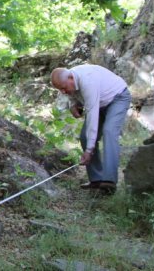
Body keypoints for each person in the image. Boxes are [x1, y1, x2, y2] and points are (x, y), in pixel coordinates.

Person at [50, 65, 131, 194]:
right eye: (60, 90)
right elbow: (71, 94)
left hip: (118, 98)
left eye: (64, 88)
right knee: (85, 137)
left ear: (71, 77)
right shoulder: (71, 80)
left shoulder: (88, 82)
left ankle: (109, 182)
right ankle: (96, 180)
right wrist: (72, 105)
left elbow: (93, 116)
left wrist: (89, 150)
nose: (63, 92)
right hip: (100, 103)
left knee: (109, 131)